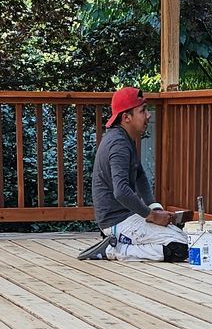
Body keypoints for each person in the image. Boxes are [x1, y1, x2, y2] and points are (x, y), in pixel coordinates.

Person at [79, 86, 189, 262]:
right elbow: (121, 191)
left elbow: (139, 176)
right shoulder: (118, 145)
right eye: (143, 110)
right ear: (126, 117)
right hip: (116, 221)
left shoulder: (124, 138)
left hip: (128, 216)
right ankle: (114, 250)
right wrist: (152, 216)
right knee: (180, 247)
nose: (148, 115)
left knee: (185, 239)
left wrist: (154, 208)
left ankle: (119, 244)